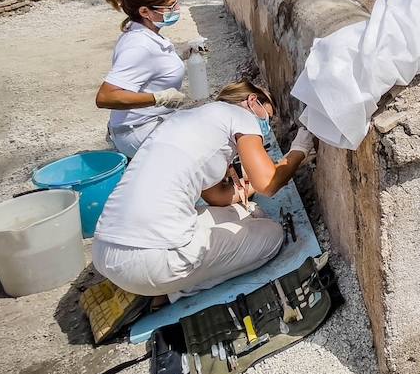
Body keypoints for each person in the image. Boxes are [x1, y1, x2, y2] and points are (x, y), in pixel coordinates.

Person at [92, 79, 317, 298]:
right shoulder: (240, 116)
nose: (265, 127)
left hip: (105, 250)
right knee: (272, 235)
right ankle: (180, 288)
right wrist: (298, 152)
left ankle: (171, 281)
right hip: (150, 263)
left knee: (248, 212)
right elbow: (268, 184)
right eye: (267, 117)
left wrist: (249, 176)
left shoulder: (187, 119)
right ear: (252, 102)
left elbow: (218, 197)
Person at [96, 0, 206, 157]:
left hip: (154, 121)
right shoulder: (138, 45)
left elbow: (151, 66)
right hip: (138, 132)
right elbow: (105, 97)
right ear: (145, 12)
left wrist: (183, 54)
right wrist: (158, 98)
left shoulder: (147, 33)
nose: (177, 9)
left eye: (176, 3)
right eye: (170, 6)